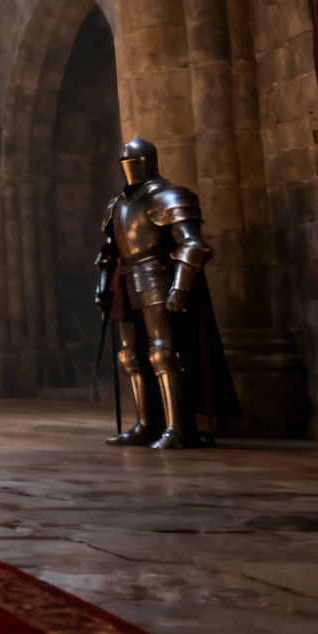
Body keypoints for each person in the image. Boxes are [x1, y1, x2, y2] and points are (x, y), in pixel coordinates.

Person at [93, 139, 241, 449]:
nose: (126, 166)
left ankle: (175, 427)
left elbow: (193, 245)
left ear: (146, 162)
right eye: (123, 160)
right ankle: (146, 423)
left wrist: (180, 287)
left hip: (155, 275)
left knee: (162, 352)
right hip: (126, 277)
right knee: (129, 356)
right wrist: (103, 287)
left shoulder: (169, 196)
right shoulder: (116, 205)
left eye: (131, 160)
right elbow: (108, 252)